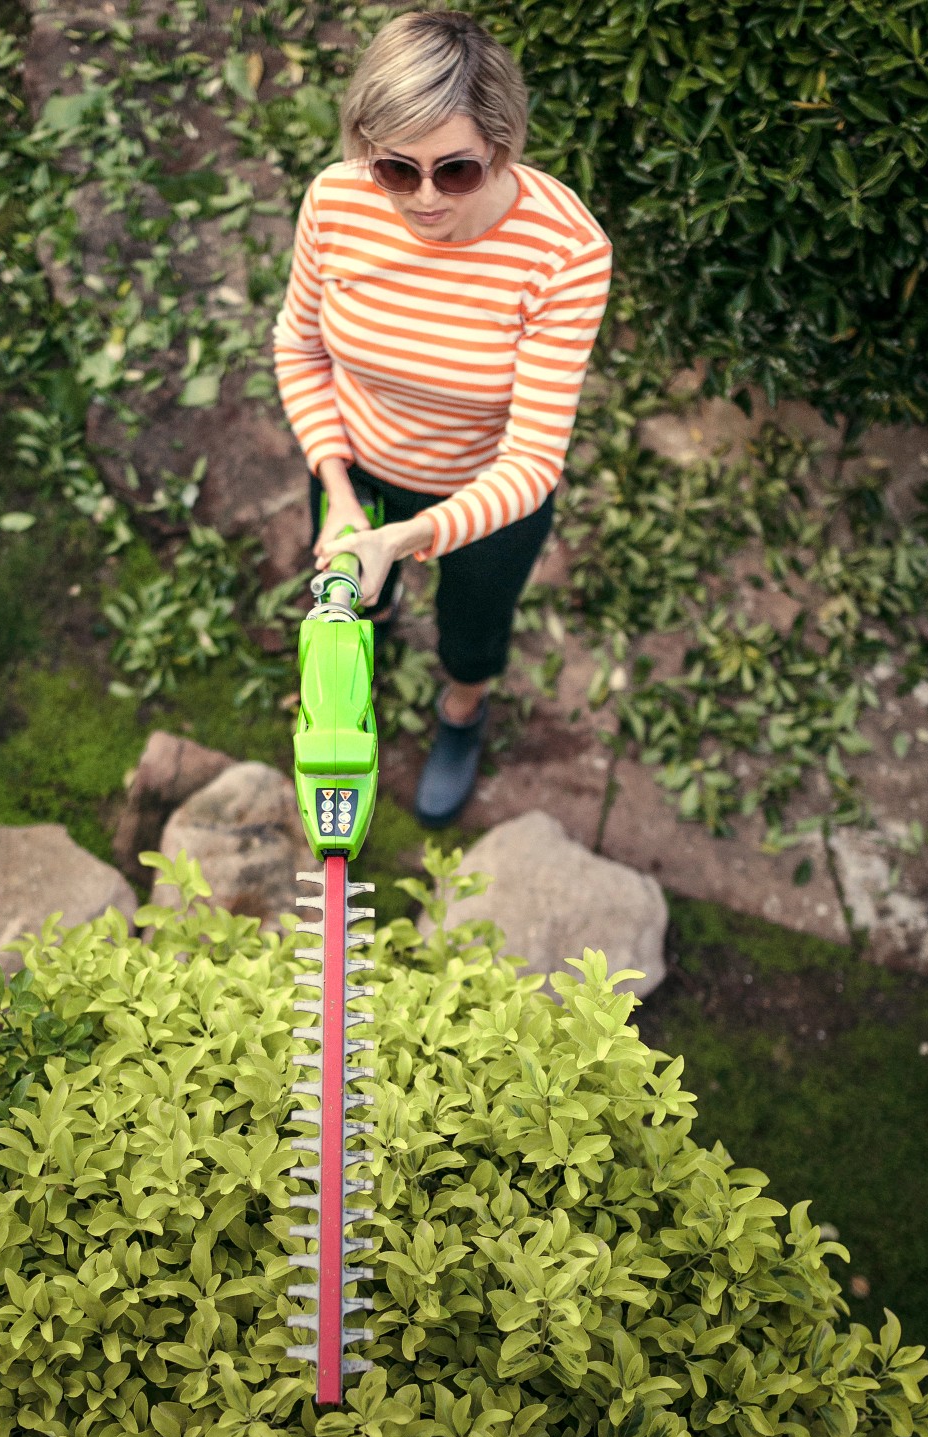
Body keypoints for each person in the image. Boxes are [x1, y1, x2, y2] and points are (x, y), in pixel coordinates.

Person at [272, 8, 612, 828]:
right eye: (396, 169)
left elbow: (532, 462)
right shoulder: (336, 202)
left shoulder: (565, 253)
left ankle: (461, 713)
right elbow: (299, 347)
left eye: (455, 171)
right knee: (352, 606)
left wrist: (403, 539)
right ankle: (365, 667)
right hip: (359, 468)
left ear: (503, 147)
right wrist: (341, 491)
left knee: (472, 630)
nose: (422, 200)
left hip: (488, 492)